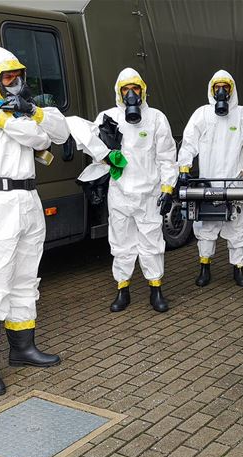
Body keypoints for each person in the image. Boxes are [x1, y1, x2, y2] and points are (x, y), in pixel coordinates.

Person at [0, 46, 71, 396]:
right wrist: (30, 121)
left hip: (27, 198)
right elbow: (37, 138)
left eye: (18, 76)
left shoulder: (18, 108)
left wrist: (34, 110)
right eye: (7, 76)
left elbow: (61, 132)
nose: (14, 82)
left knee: (25, 278)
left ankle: (23, 348)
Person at [98, 68, 178, 313]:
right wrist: (106, 152)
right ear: (118, 92)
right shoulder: (108, 116)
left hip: (149, 194)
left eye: (135, 89)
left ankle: (156, 289)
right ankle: (123, 290)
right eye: (126, 90)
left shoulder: (155, 118)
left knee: (152, 243)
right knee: (121, 243)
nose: (131, 94)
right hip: (119, 194)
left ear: (143, 90)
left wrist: (167, 188)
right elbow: (93, 153)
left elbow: (166, 157)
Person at [177, 70, 243, 287]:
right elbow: (189, 142)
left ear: (232, 90)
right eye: (217, 87)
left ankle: (238, 269)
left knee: (238, 229)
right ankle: (204, 267)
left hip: (233, 182)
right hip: (206, 183)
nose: (221, 92)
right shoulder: (202, 115)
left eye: (225, 87)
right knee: (205, 229)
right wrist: (184, 167)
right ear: (211, 90)